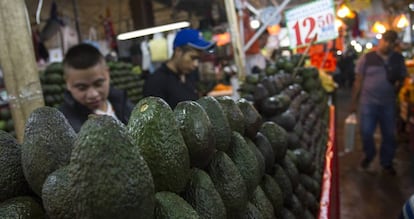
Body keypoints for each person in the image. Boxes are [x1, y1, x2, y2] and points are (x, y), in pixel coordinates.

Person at [350, 30, 407, 175]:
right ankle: (369, 155)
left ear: (395, 44)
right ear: (381, 40)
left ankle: (386, 162)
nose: (387, 44)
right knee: (366, 132)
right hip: (368, 103)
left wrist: (397, 90)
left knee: (389, 134)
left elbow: (403, 77)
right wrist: (353, 102)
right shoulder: (367, 58)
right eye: (385, 40)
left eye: (391, 41)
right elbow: (358, 80)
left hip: (388, 103)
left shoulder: (398, 59)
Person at [58, 43, 134, 132]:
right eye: (82, 88)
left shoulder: (124, 104)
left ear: (107, 73)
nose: (93, 94)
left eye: (98, 84)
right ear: (67, 83)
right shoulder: (64, 126)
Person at [143, 28, 215, 108]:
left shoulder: (189, 75)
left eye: (198, 59)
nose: (196, 64)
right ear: (178, 52)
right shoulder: (156, 82)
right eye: (193, 58)